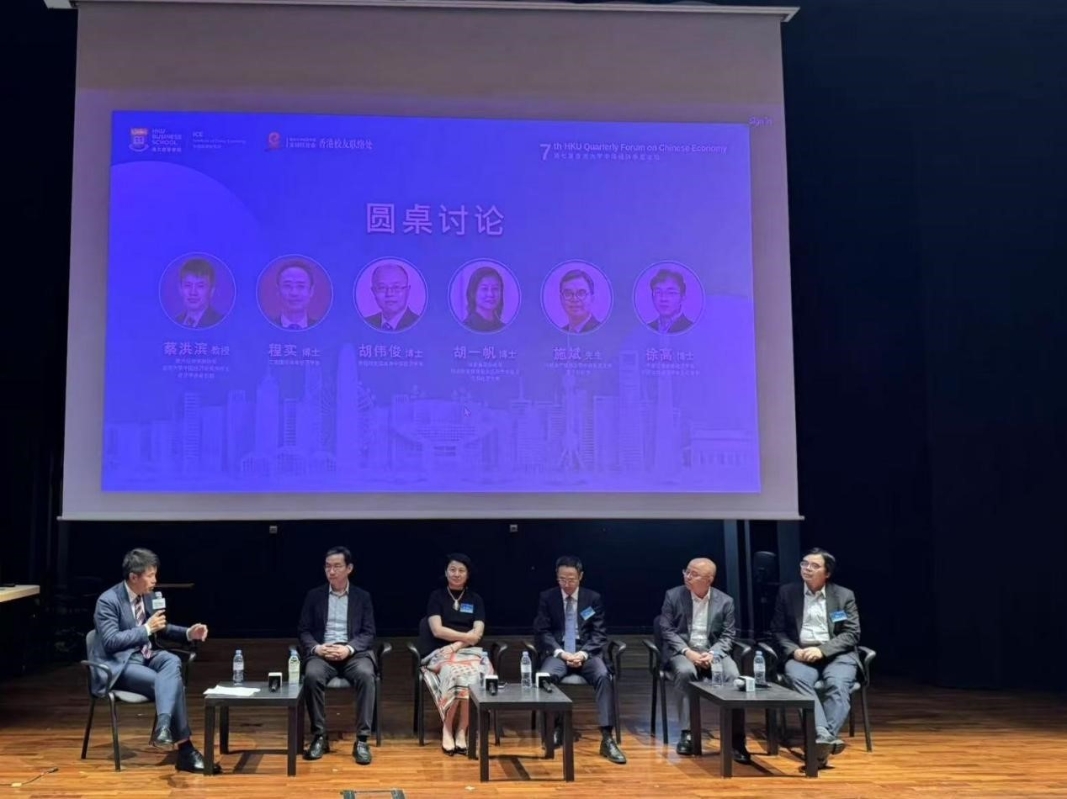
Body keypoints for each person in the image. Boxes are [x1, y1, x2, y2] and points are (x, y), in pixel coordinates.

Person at [89, 548, 217, 773]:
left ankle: (164, 726)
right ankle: (185, 749)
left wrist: (189, 633)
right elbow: (110, 641)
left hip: (145, 656)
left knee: (170, 659)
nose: (155, 581)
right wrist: (146, 629)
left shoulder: (147, 596)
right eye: (150, 576)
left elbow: (161, 628)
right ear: (133, 577)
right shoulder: (108, 601)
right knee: (172, 684)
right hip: (119, 665)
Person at [531, 555, 627, 764]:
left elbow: (599, 633)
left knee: (603, 676)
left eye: (571, 579)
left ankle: (607, 737)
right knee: (545, 676)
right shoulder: (547, 597)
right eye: (562, 579)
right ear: (556, 577)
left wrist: (582, 654)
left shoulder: (592, 598)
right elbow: (542, 631)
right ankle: (556, 726)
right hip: (559, 653)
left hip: (587, 653)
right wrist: (561, 653)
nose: (566, 584)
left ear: (580, 576)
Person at [770, 547, 861, 767]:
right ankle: (824, 736)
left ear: (827, 573)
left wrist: (823, 650)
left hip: (837, 654)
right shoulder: (787, 593)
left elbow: (851, 633)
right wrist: (794, 651)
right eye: (804, 564)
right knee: (799, 679)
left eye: (814, 565)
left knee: (837, 684)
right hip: (801, 654)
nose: (807, 569)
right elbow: (777, 631)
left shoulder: (843, 595)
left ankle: (819, 745)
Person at [658, 557, 751, 763]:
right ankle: (688, 733)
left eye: (694, 574)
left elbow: (728, 635)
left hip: (713, 652)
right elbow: (667, 630)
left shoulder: (725, 601)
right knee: (686, 672)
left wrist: (713, 653)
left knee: (733, 675)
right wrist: (688, 652)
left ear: (709, 579)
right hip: (684, 652)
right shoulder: (673, 595)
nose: (687, 576)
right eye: (687, 571)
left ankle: (736, 739)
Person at [297, 546, 376, 765]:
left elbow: (368, 632)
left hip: (352, 653)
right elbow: (303, 630)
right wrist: (317, 648)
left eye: (337, 566)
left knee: (366, 675)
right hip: (323, 652)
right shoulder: (314, 596)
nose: (331, 571)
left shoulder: (362, 597)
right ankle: (319, 736)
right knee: (312, 676)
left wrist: (348, 649)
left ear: (349, 568)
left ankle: (362, 740)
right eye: (328, 567)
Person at [419, 553, 493, 755]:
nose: (456, 574)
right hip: (439, 651)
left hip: (469, 652)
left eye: (461, 570)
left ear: (468, 574)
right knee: (454, 673)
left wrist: (457, 645)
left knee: (475, 674)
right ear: (446, 572)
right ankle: (447, 727)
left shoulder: (476, 599)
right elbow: (437, 630)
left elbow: (478, 633)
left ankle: (462, 730)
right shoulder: (436, 597)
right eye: (452, 569)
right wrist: (465, 637)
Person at [364, 261, 419, 331]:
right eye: (382, 287)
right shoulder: (366, 323)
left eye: (396, 287)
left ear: (407, 291)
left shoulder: (419, 323)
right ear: (374, 291)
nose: (389, 294)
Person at [173, 258, 223, 328]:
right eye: (188, 285)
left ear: (212, 291)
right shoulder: (174, 322)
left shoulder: (220, 323)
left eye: (200, 286)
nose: (193, 292)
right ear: (180, 289)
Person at [270, 260, 321, 330]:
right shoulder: (267, 327)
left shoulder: (321, 328)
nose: (294, 293)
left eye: (301, 286)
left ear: (311, 291)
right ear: (278, 290)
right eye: (287, 286)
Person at [646, 268, 693, 334]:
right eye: (658, 292)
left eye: (671, 293)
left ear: (682, 297)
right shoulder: (646, 329)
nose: (663, 298)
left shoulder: (691, 328)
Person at [463, 266, 506, 332]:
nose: (490, 294)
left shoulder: (505, 328)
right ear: (473, 293)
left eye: (495, 289)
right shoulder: (465, 327)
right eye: (484, 289)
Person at [558, 268, 601, 334]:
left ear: (592, 298)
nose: (574, 299)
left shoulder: (601, 330)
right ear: (561, 299)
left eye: (581, 293)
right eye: (568, 294)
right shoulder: (560, 333)